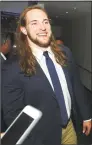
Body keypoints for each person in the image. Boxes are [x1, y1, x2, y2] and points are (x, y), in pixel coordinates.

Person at [1, 5, 91, 145]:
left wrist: (87, 116)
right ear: (24, 30)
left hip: (69, 129)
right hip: (40, 137)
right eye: (34, 23)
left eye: (45, 21)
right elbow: (13, 114)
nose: (42, 27)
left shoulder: (65, 52)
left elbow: (76, 86)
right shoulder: (11, 67)